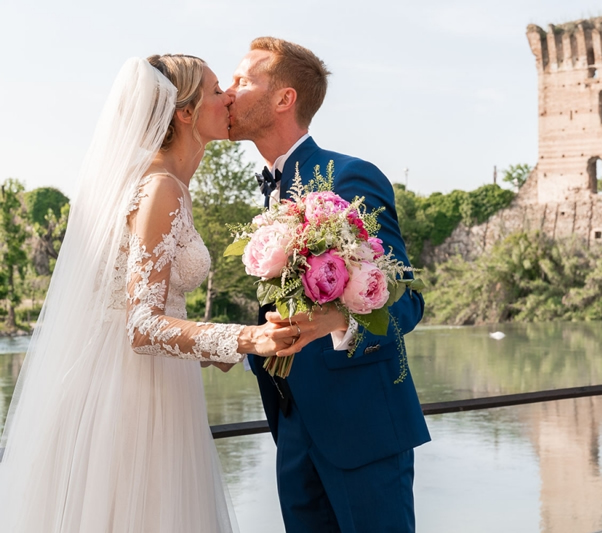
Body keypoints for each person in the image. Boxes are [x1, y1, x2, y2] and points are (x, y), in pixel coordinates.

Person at [0, 54, 301, 532]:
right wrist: (246, 339)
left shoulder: (170, 183)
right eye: (217, 88)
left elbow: (148, 306)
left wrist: (209, 350)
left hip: (157, 379)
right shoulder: (160, 187)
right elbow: (140, 326)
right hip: (133, 393)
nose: (229, 98)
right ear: (184, 112)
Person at [226, 37, 430, 533]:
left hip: (362, 428)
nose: (229, 91)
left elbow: (407, 298)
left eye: (242, 80)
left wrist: (338, 321)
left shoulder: (349, 178)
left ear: (283, 98)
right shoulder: (271, 188)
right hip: (293, 428)